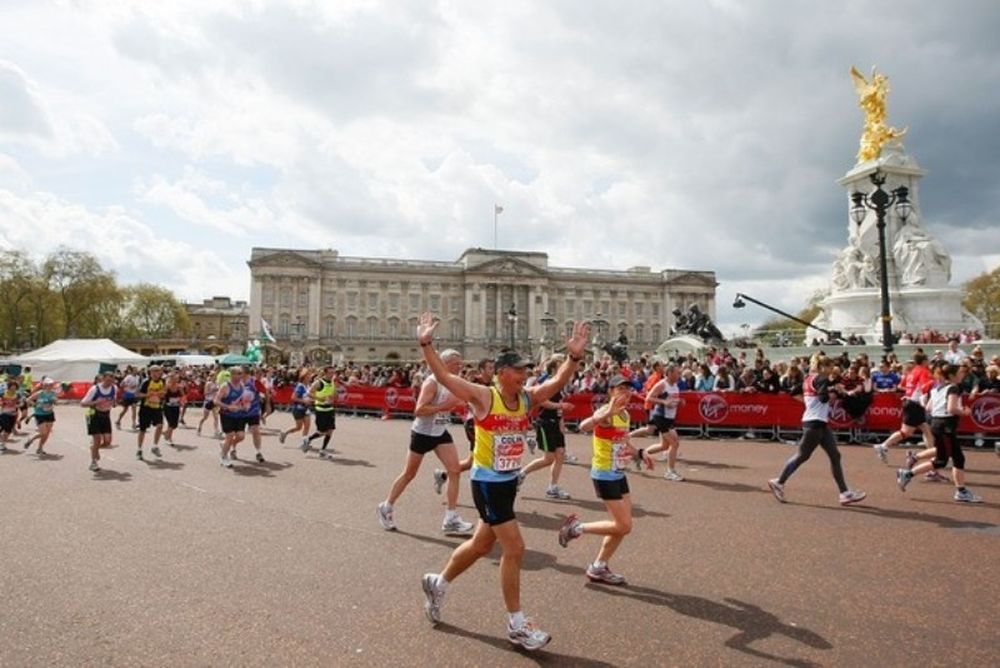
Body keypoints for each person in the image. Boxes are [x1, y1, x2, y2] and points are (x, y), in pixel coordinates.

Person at [417, 312, 590, 651]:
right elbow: (441, 375)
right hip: (487, 483)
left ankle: (439, 581)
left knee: (482, 545)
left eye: (527, 369)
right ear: (501, 373)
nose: (526, 374)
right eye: (520, 370)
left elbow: (555, 384)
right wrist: (426, 344)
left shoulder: (525, 398)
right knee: (515, 548)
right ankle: (517, 625)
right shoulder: (484, 395)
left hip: (507, 482)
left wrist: (573, 357)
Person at [558, 374, 651, 585]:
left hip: (618, 473)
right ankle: (576, 528)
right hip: (604, 473)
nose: (625, 394)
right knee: (624, 525)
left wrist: (640, 453)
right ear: (611, 392)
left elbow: (624, 443)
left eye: (628, 390)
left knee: (620, 526)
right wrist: (606, 413)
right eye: (620, 390)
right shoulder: (606, 412)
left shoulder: (625, 415)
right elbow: (583, 426)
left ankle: (598, 567)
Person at [377, 349, 474, 536]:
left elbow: (460, 401)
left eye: (461, 363)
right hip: (422, 433)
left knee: (454, 470)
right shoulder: (432, 382)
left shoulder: (454, 382)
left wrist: (463, 404)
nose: (460, 366)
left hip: (440, 432)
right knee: (409, 474)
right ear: (444, 364)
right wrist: (444, 407)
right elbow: (419, 409)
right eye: (456, 363)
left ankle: (451, 517)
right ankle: (386, 506)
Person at [767, 355, 867, 506]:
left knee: (835, 455)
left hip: (819, 422)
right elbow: (823, 398)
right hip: (814, 423)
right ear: (822, 367)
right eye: (829, 367)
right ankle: (779, 482)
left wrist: (827, 391)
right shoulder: (821, 378)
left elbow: (795, 391)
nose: (831, 370)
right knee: (802, 455)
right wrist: (834, 390)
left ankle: (845, 493)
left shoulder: (808, 379)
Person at [897, 364, 982, 503]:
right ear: (952, 376)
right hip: (945, 426)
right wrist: (964, 412)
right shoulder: (953, 388)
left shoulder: (937, 388)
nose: (963, 375)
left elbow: (929, 407)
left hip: (937, 424)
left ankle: (962, 491)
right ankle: (908, 474)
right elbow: (951, 408)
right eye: (960, 373)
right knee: (943, 460)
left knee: (955, 458)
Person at [518, 356, 576, 499]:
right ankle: (521, 474)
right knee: (549, 458)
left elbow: (559, 401)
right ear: (553, 368)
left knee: (561, 454)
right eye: (560, 365)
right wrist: (560, 406)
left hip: (555, 421)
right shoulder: (547, 382)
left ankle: (553, 487)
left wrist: (561, 419)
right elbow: (542, 400)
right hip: (545, 422)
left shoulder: (559, 383)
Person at [432, 358, 493, 493]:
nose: (492, 370)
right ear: (481, 370)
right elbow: (464, 398)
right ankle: (486, 489)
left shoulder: (493, 383)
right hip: (474, 423)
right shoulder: (473, 383)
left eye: (493, 368)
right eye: (489, 368)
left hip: (488, 424)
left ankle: (443, 474)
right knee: (486, 456)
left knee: (471, 461)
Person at [873, 353, 935, 464]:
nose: (929, 362)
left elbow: (904, 385)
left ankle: (932, 456)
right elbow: (926, 386)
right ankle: (883, 446)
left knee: (927, 430)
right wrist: (936, 382)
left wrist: (910, 392)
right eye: (928, 360)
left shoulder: (912, 372)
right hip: (914, 404)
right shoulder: (923, 371)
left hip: (913, 403)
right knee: (906, 432)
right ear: (924, 361)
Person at [629, 364, 684, 481]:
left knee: (664, 446)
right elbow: (649, 398)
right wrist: (664, 402)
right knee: (675, 444)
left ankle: (639, 455)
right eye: (677, 373)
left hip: (669, 418)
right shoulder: (662, 384)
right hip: (661, 417)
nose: (679, 375)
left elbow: (672, 399)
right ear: (669, 373)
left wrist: (679, 402)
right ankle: (670, 471)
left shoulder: (675, 385)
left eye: (679, 373)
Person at [80, 371, 117, 472]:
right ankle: (93, 462)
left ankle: (94, 449)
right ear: (103, 378)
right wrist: (96, 402)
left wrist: (113, 403)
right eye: (108, 379)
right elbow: (82, 404)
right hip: (94, 414)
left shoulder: (114, 388)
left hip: (106, 415)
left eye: (112, 380)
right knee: (97, 439)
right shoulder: (95, 389)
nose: (110, 382)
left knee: (107, 442)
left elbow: (114, 401)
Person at [215, 367, 250, 468]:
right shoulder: (225, 386)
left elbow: (244, 400)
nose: (240, 375)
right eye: (238, 373)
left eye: (241, 373)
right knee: (230, 435)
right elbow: (216, 401)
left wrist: (246, 405)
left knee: (241, 436)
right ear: (232, 375)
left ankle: (225, 444)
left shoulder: (242, 386)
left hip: (239, 415)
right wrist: (228, 407)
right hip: (227, 415)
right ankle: (223, 456)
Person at [304, 366, 337, 456]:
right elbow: (309, 393)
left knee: (330, 430)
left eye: (333, 372)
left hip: (330, 409)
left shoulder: (333, 382)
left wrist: (333, 396)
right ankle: (308, 439)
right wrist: (320, 398)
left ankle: (322, 450)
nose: (332, 374)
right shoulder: (319, 382)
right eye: (330, 373)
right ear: (325, 373)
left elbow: (333, 394)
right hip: (321, 409)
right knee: (322, 432)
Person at [136, 365, 166, 461]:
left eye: (157, 371)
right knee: (143, 430)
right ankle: (139, 450)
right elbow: (137, 394)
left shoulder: (163, 381)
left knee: (160, 425)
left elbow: (164, 392)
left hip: (156, 407)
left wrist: (161, 395)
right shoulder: (146, 382)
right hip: (146, 408)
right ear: (150, 373)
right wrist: (148, 395)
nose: (155, 373)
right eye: (153, 371)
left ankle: (154, 446)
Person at [23, 377, 59, 456]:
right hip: (40, 414)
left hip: (49, 414)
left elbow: (56, 402)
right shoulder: (40, 393)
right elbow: (28, 400)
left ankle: (40, 448)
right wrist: (35, 405)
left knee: (47, 433)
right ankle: (31, 439)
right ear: (44, 385)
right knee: (43, 432)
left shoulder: (53, 393)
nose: (50, 386)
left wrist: (54, 401)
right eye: (49, 384)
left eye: (51, 384)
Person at [278, 369, 313, 446]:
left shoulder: (308, 386)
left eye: (310, 376)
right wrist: (304, 401)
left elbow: (309, 396)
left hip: (306, 409)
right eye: (308, 376)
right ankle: (284, 433)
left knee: (307, 425)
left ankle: (304, 443)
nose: (310, 377)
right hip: (298, 409)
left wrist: (314, 399)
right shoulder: (300, 386)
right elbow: (293, 397)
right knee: (298, 427)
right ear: (304, 377)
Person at [0, 378, 20, 452]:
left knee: (9, 430)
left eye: (15, 387)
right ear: (9, 386)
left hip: (13, 414)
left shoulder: (17, 394)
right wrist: (2, 403)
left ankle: (3, 442)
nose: (13, 388)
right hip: (4, 413)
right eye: (12, 386)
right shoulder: (3, 393)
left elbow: (20, 403)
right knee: (6, 428)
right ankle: (2, 443)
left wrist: (18, 405)